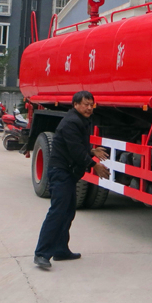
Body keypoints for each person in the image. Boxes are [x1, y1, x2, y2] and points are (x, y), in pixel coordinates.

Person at [34, 90, 110, 270]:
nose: (89, 108)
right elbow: (75, 150)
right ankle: (41, 253)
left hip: (68, 172)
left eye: (92, 104)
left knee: (68, 212)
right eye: (85, 104)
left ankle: (60, 250)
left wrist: (91, 150)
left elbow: (75, 144)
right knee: (58, 212)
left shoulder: (80, 121)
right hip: (60, 172)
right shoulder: (71, 122)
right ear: (75, 104)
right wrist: (94, 165)